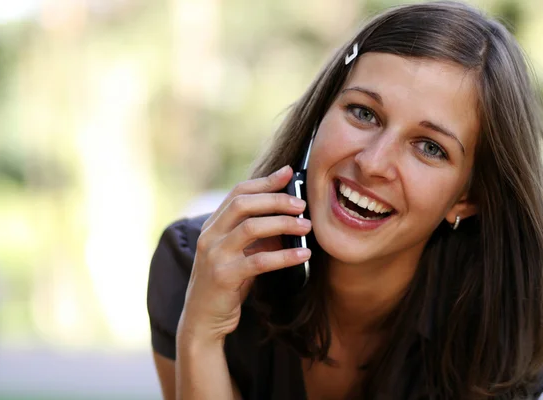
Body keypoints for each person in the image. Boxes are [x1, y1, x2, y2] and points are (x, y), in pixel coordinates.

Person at [147, 1, 543, 398]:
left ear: (467, 197)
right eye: (363, 113)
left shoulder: (510, 332)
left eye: (429, 147)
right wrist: (201, 334)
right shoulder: (196, 267)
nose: (373, 163)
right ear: (321, 114)